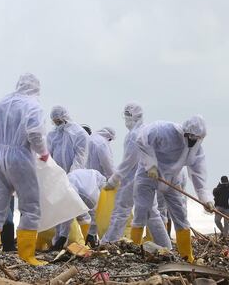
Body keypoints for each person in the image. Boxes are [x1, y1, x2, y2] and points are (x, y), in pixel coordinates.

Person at [0, 73, 49, 266]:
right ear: (36, 88)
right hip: (20, 156)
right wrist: (43, 152)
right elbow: (35, 132)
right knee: (30, 207)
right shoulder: (32, 105)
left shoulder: (0, 104)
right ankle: (27, 255)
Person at [133, 116, 211, 263]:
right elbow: (142, 139)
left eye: (196, 138)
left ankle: (187, 257)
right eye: (190, 137)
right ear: (185, 132)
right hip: (147, 175)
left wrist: (205, 199)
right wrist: (151, 165)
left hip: (171, 180)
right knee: (142, 211)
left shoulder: (197, 149)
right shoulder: (163, 130)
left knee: (181, 216)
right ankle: (132, 250)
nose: (192, 141)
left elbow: (198, 174)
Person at [102, 103, 167, 245]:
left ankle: (109, 242)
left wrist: (113, 180)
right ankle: (165, 245)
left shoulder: (133, 135)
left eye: (126, 116)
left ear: (131, 116)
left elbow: (128, 162)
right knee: (152, 213)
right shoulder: (146, 130)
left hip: (132, 179)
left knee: (121, 210)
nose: (125, 119)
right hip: (147, 179)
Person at [51, 169, 106, 251]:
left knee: (101, 218)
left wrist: (92, 233)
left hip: (98, 181)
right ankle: (90, 242)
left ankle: (101, 242)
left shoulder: (90, 196)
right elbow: (67, 214)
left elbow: (97, 213)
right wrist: (63, 236)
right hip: (78, 179)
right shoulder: (64, 193)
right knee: (77, 215)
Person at [84, 126, 116, 245]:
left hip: (86, 178)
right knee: (97, 210)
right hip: (99, 179)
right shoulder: (102, 143)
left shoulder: (90, 139)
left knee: (88, 209)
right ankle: (92, 237)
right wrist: (113, 179)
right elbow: (107, 163)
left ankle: (87, 236)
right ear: (109, 137)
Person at [47, 106, 89, 172]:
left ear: (65, 118)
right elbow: (48, 155)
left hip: (75, 174)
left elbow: (80, 157)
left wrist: (72, 175)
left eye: (59, 121)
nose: (58, 124)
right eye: (55, 122)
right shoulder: (52, 134)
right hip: (57, 175)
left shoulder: (79, 133)